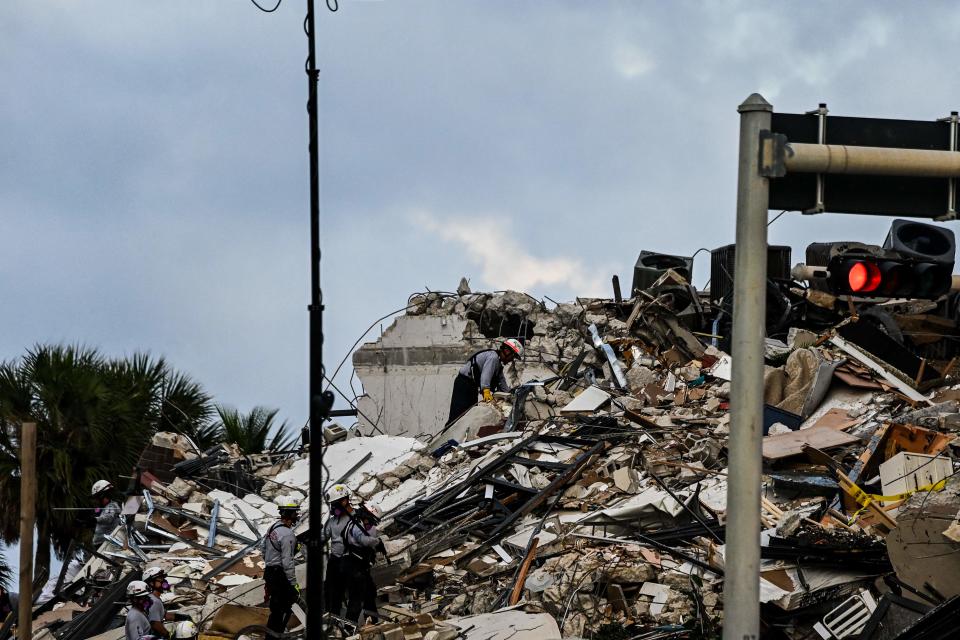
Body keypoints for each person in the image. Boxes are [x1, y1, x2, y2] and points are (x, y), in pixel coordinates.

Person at [446, 339, 524, 426]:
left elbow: (501, 382)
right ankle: (446, 436)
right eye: (512, 357)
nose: (511, 360)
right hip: (463, 384)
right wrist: (487, 393)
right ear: (506, 351)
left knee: (469, 415)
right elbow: (485, 377)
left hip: (472, 387)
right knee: (457, 415)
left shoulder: (498, 364)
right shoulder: (493, 357)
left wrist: (510, 395)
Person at [262, 495, 301, 634]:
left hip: (269, 573)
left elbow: (263, 548)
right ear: (290, 514)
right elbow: (287, 562)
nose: (297, 515)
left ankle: (273, 635)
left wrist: (270, 562)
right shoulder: (288, 534)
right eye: (295, 512)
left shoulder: (272, 528)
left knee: (276, 609)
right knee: (285, 607)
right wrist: (293, 584)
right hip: (280, 576)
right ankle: (275, 636)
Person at [343, 504, 386, 624]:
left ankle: (373, 622)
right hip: (352, 565)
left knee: (369, 593)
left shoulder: (368, 527)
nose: (370, 523)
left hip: (362, 566)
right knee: (356, 598)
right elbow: (363, 540)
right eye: (369, 520)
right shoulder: (356, 524)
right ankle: (349, 629)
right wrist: (377, 542)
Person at [322, 484, 353, 615]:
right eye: (331, 505)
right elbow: (323, 536)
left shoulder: (356, 518)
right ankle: (332, 619)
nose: (333, 507)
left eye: (335, 504)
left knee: (353, 592)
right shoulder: (332, 521)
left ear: (345, 500)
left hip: (351, 560)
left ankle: (352, 623)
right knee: (331, 592)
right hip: (335, 561)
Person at [143, 567, 175, 639]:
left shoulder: (153, 598)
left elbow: (163, 615)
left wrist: (181, 617)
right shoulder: (153, 601)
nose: (164, 581)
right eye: (160, 579)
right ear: (151, 583)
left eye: (163, 578)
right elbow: (155, 623)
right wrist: (168, 635)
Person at [91, 479, 122, 548]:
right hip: (103, 544)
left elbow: (108, 518)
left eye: (97, 498)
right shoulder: (104, 508)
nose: (96, 501)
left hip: (106, 545)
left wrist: (94, 519)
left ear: (102, 496)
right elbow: (98, 512)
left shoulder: (112, 505)